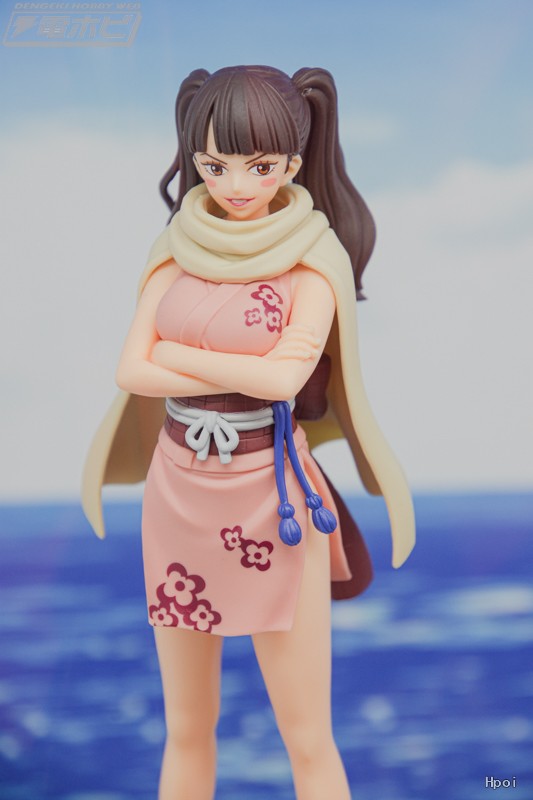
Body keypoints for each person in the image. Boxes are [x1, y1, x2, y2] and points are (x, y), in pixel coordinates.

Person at [82, 65, 415, 800]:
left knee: (307, 735)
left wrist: (177, 358)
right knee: (185, 727)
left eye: (259, 166)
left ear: (292, 164)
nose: (235, 184)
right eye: (215, 165)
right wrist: (236, 368)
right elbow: (131, 369)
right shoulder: (175, 248)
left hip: (272, 499)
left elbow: (283, 380)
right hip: (178, 492)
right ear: (196, 161)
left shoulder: (313, 265)